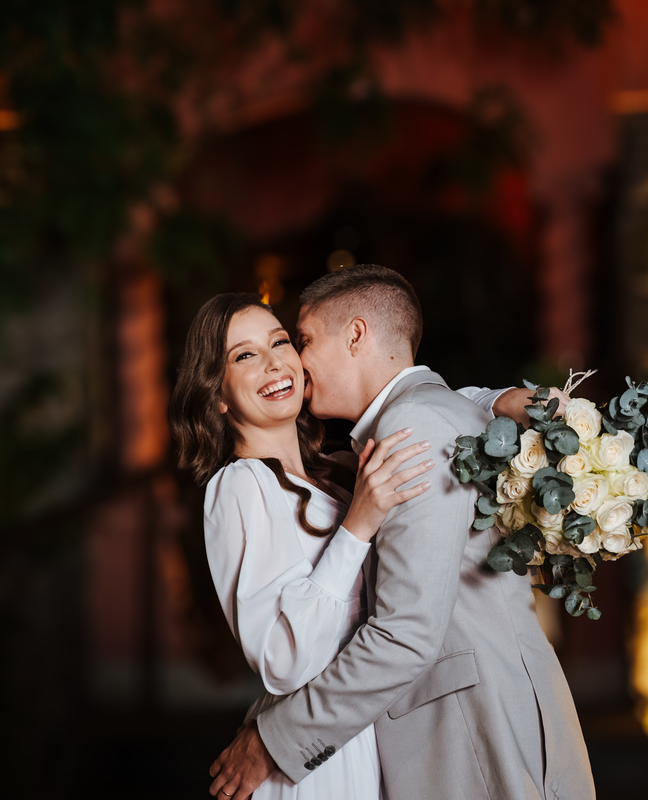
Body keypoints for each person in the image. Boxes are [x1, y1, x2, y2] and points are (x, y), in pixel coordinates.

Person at [206, 265, 595, 800]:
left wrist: (275, 740)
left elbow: (405, 632)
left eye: (296, 340)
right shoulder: (387, 438)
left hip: (475, 732)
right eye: (246, 354)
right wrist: (494, 398)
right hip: (418, 734)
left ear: (356, 336)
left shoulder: (406, 429)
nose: (292, 361)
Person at [170, 293, 512, 800]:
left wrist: (496, 400)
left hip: (372, 736)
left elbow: (414, 407)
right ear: (217, 394)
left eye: (280, 342)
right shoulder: (240, 485)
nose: (273, 363)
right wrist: (358, 526)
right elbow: (283, 661)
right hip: (316, 766)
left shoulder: (339, 472)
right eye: (244, 355)